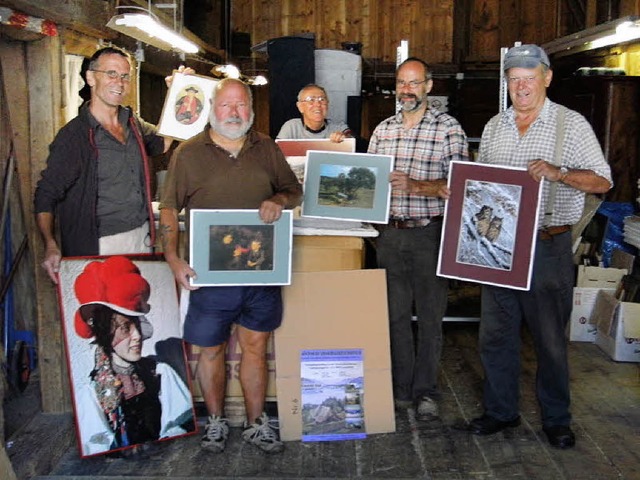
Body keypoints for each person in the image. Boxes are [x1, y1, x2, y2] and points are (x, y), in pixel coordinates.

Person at [466, 44, 612, 449]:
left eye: (529, 77)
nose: (521, 85)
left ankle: (556, 419)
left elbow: (603, 182)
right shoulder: (496, 126)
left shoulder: (571, 124)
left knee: (548, 339)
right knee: (495, 334)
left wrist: (559, 173)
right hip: (498, 247)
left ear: (547, 77)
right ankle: (500, 412)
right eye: (514, 79)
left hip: (547, 245)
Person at [159, 78, 302, 454]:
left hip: (260, 271)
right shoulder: (189, 154)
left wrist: (278, 199)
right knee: (211, 350)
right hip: (209, 273)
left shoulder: (266, 147)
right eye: (226, 106)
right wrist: (173, 257)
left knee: (256, 346)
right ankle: (216, 422)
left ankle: (258, 424)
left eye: (241, 106)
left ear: (251, 110)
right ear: (212, 109)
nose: (234, 113)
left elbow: (293, 189)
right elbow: (170, 207)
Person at [33, 46, 191, 283]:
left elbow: (162, 143)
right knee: (108, 313)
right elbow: (46, 195)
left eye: (125, 76)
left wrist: (177, 93)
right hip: (100, 244)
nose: (119, 82)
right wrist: (50, 244)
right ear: (90, 77)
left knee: (136, 308)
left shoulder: (132, 123)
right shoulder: (74, 137)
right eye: (111, 73)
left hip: (141, 237)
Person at [367, 57, 469, 418]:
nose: (406, 90)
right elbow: (368, 183)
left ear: (428, 86)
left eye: (414, 83)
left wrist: (416, 186)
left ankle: (425, 390)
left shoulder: (448, 129)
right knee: (394, 317)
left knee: (429, 317)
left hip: (429, 234)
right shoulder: (383, 130)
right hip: (390, 235)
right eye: (401, 83)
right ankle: (401, 389)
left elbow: (460, 186)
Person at [73, 256, 194, 456]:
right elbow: (97, 447)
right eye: (125, 328)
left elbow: (176, 430)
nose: (137, 336)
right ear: (105, 334)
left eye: (137, 325)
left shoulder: (161, 374)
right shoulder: (92, 393)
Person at [276, 84, 352, 143]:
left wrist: (344, 139)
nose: (318, 104)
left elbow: (354, 142)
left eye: (322, 99)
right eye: (311, 100)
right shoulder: (291, 127)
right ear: (300, 107)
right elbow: (277, 154)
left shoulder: (338, 128)